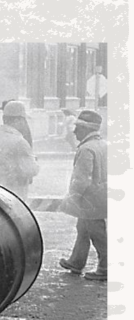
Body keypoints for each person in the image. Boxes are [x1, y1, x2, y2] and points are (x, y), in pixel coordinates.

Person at [59, 109, 108, 281]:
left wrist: (71, 198)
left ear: (87, 129)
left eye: (78, 127)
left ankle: (106, 268)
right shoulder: (103, 144)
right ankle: (76, 261)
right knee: (83, 230)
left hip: (89, 200)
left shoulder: (86, 149)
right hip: (100, 198)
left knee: (97, 233)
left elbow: (81, 180)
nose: (74, 131)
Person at [0, 111, 38, 196]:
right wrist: (34, 161)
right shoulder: (19, 142)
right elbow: (31, 170)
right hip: (14, 194)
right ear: (17, 120)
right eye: (23, 120)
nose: (25, 124)